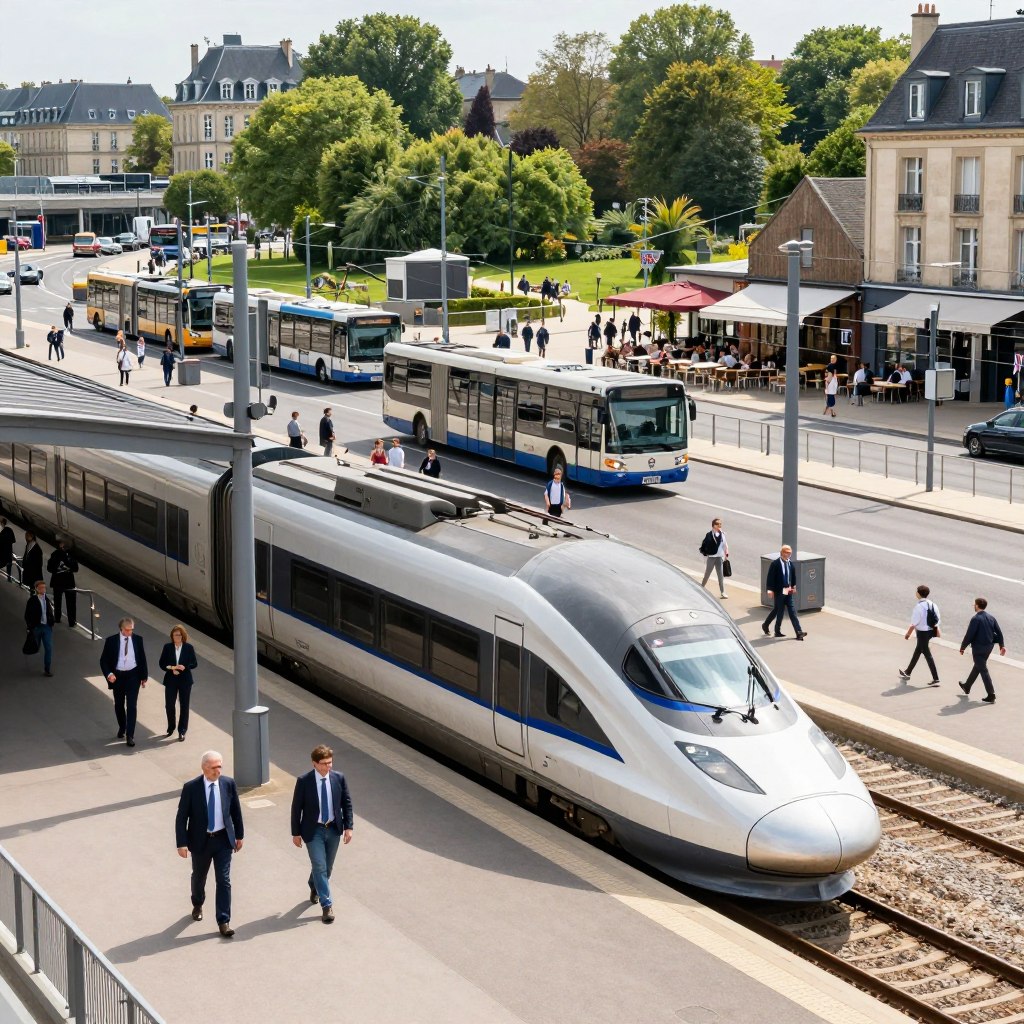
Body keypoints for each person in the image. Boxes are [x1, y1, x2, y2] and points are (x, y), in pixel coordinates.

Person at [175, 750, 244, 938]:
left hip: (223, 840)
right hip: (200, 841)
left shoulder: (228, 784)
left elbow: (236, 811)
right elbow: (182, 818)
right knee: (199, 877)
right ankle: (197, 903)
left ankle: (224, 920)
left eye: (220, 766)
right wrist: (181, 843)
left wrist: (240, 835)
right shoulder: (191, 788)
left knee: (224, 880)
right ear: (204, 768)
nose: (218, 770)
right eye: (214, 767)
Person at [290, 744, 355, 924]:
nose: (329, 766)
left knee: (327, 867)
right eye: (325, 763)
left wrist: (349, 827)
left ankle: (315, 885)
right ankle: (327, 905)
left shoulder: (338, 778)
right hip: (314, 830)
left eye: (330, 762)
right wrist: (295, 833)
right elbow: (296, 808)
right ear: (315, 764)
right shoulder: (304, 781)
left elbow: (346, 803)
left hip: (333, 828)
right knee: (319, 866)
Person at [99, 617, 149, 747]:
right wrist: (109, 674)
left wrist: (144, 677)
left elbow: (142, 658)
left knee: (132, 705)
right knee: (119, 704)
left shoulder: (138, 639)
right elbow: (103, 660)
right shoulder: (111, 641)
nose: (129, 632)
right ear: (121, 629)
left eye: (131, 630)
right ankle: (123, 726)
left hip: (133, 676)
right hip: (118, 676)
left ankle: (130, 735)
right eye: (127, 630)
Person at [958, 597, 1006, 704]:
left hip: (978, 649)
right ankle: (967, 686)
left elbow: (969, 635)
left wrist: (963, 647)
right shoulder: (991, 617)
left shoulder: (975, 619)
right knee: (978, 667)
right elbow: (999, 632)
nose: (973, 606)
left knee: (983, 670)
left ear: (977, 606)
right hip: (988, 648)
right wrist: (1001, 645)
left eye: (974, 604)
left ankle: (991, 694)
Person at [159, 624, 199, 741]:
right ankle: (171, 726)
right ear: (172, 636)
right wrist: (172, 668)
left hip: (185, 680)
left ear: (183, 636)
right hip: (171, 679)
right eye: (176, 635)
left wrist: (184, 667)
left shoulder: (188, 648)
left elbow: (194, 663)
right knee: (169, 705)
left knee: (184, 706)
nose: (178, 637)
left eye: (180, 635)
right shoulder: (167, 647)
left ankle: (182, 731)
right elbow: (162, 663)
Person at [762, 545, 807, 640]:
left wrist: (794, 586)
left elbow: (793, 576)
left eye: (790, 552)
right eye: (787, 552)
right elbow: (770, 578)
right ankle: (770, 627)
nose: (789, 554)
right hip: (779, 591)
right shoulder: (775, 564)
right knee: (779, 610)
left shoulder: (790, 564)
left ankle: (799, 632)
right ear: (782, 553)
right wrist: (770, 590)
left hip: (788, 591)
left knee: (792, 612)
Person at [899, 585, 940, 687]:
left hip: (922, 633)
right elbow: (938, 619)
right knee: (918, 650)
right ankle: (907, 672)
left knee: (927, 654)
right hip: (931, 631)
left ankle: (936, 678)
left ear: (918, 593)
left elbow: (914, 622)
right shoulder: (933, 604)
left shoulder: (919, 606)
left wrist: (908, 633)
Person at [24, 580, 55, 677]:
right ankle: (29, 655)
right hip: (37, 627)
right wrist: (29, 627)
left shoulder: (48, 599)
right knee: (34, 645)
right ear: (37, 589)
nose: (43, 589)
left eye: (44, 587)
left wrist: (51, 621)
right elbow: (27, 614)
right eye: (41, 588)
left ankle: (47, 669)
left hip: (46, 627)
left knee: (48, 648)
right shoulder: (32, 600)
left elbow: (51, 611)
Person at [47, 540, 79, 628]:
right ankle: (57, 618)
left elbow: (76, 568)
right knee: (57, 601)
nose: (63, 547)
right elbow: (49, 568)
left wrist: (65, 558)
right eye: (61, 545)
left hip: (69, 582)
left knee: (71, 603)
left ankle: (72, 621)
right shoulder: (55, 554)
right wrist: (59, 556)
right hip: (58, 582)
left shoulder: (71, 556)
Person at [699, 517, 729, 599]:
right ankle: (701, 587)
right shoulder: (709, 534)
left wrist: (726, 553)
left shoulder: (722, 534)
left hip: (719, 557)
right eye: (718, 524)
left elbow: (725, 544)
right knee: (707, 574)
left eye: (720, 524)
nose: (720, 525)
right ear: (714, 525)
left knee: (720, 576)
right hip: (711, 557)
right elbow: (705, 544)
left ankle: (723, 592)